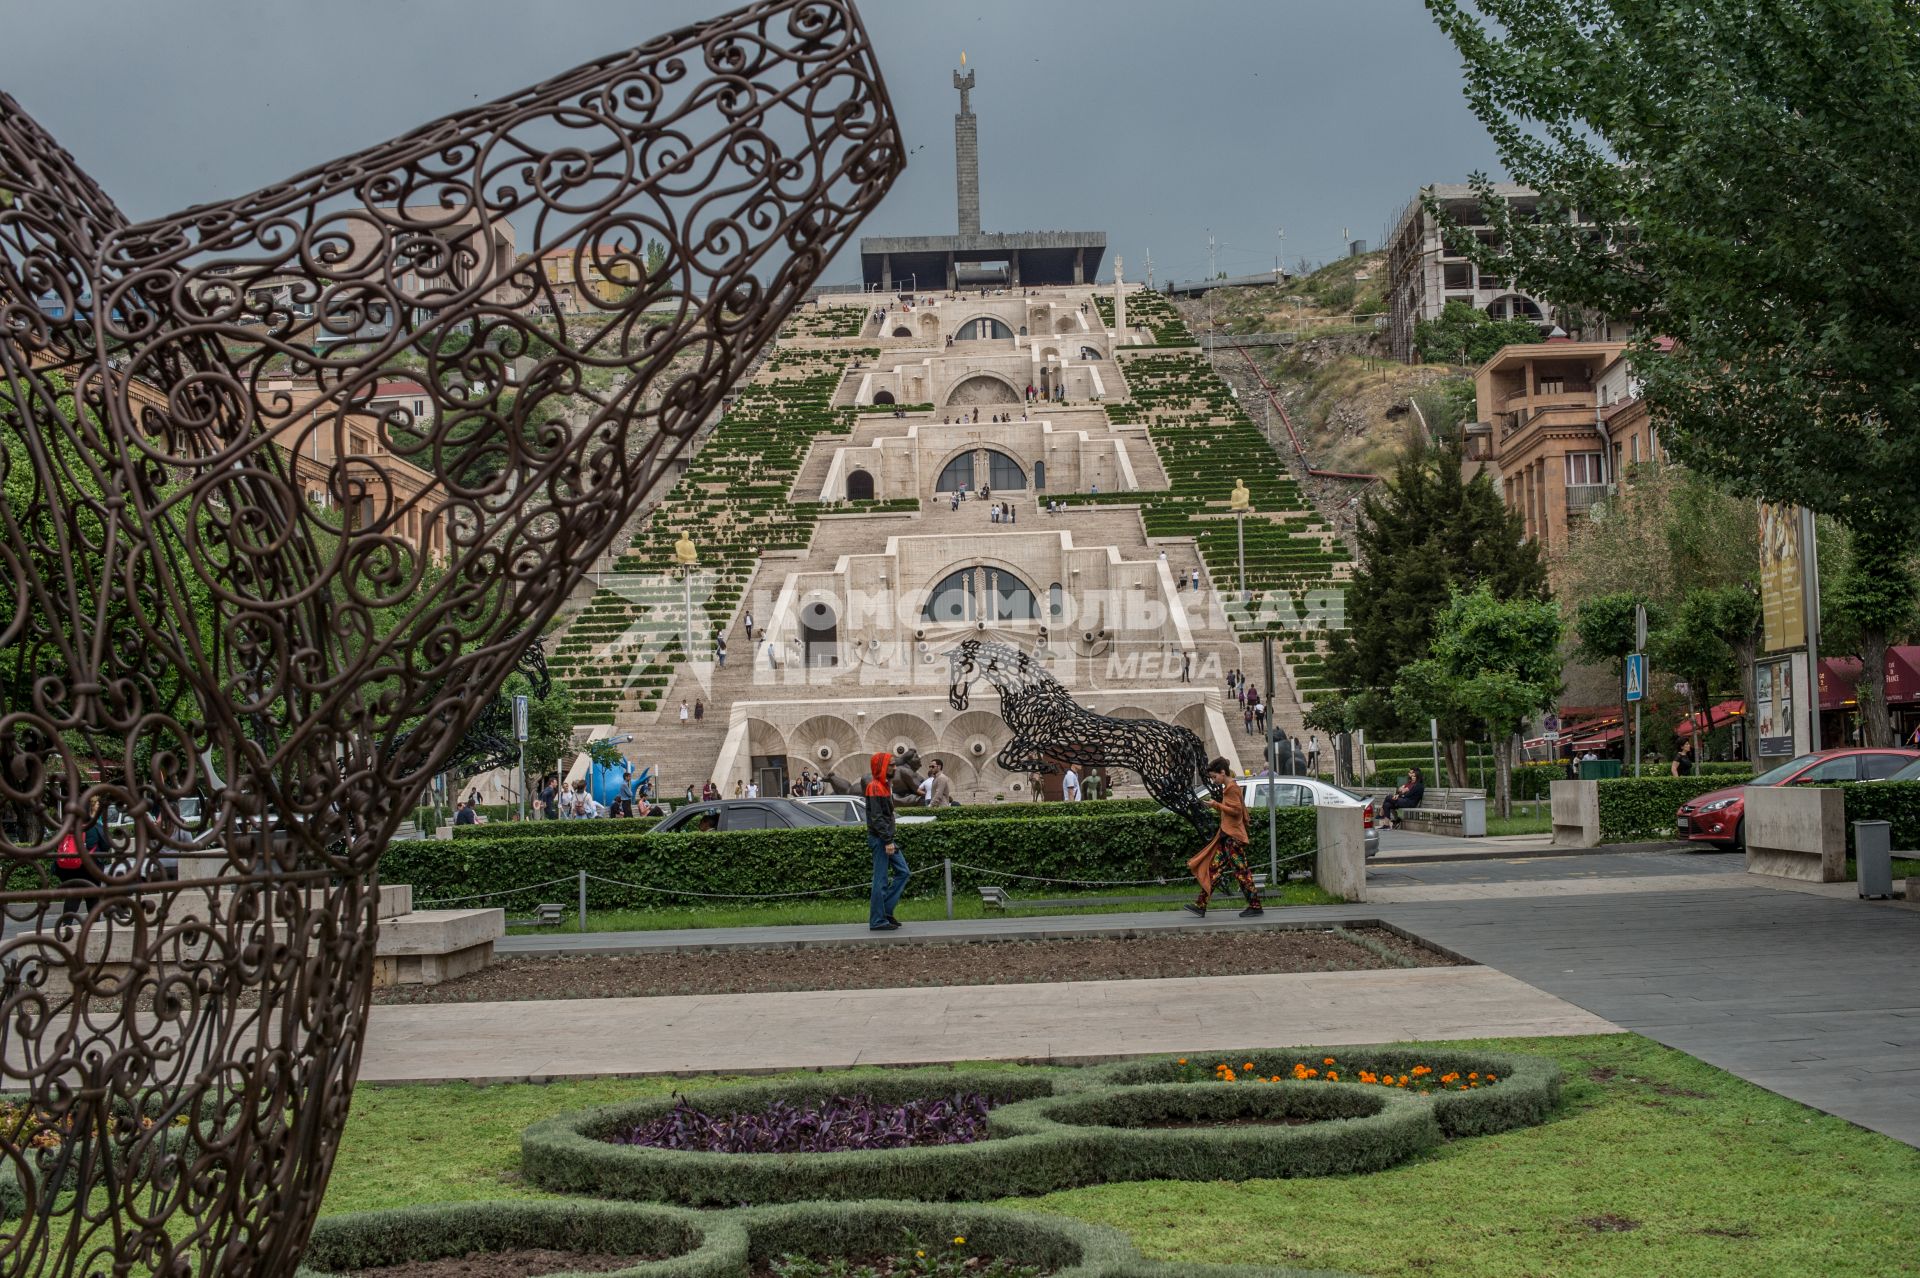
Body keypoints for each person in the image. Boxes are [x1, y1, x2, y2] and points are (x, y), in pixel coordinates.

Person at [1185, 758, 1261, 918]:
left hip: (1232, 838)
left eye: (1214, 777)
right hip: (1228, 836)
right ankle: (1201, 905)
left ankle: (1255, 906)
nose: (1214, 780)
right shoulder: (1230, 787)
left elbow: (1236, 811)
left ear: (1222, 772)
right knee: (1215, 871)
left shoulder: (1231, 788)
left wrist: (1216, 805)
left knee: (1240, 872)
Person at [864, 752, 910, 931]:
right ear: (881, 767)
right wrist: (888, 840)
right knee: (880, 879)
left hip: (884, 839)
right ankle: (877, 920)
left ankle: (885, 912)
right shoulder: (875, 787)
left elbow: (883, 816)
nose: (895, 767)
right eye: (891, 764)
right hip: (881, 839)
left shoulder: (883, 786)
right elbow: (877, 818)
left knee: (903, 872)